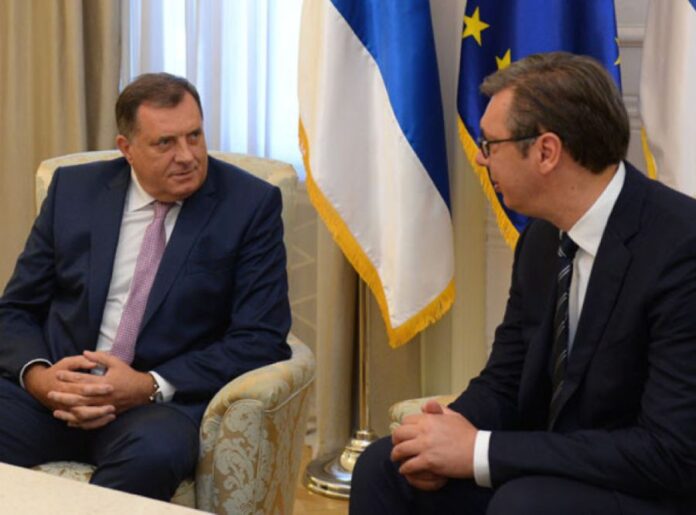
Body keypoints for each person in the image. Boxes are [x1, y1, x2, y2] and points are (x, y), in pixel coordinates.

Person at [350, 52, 696, 514]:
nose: (480, 157)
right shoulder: (541, 239)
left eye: (490, 143)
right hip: (557, 470)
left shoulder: (681, 249)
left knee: (523, 504)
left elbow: (668, 451)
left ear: (546, 152)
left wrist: (479, 451)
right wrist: (443, 432)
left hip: (650, 485)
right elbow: (506, 381)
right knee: (386, 466)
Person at [0, 73, 291, 500]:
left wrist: (149, 384)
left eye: (195, 136)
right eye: (165, 143)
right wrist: (41, 379)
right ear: (127, 148)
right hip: (56, 392)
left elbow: (261, 337)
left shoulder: (248, 206)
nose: (187, 156)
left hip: (154, 407)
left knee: (153, 454)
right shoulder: (74, 191)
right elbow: (16, 309)